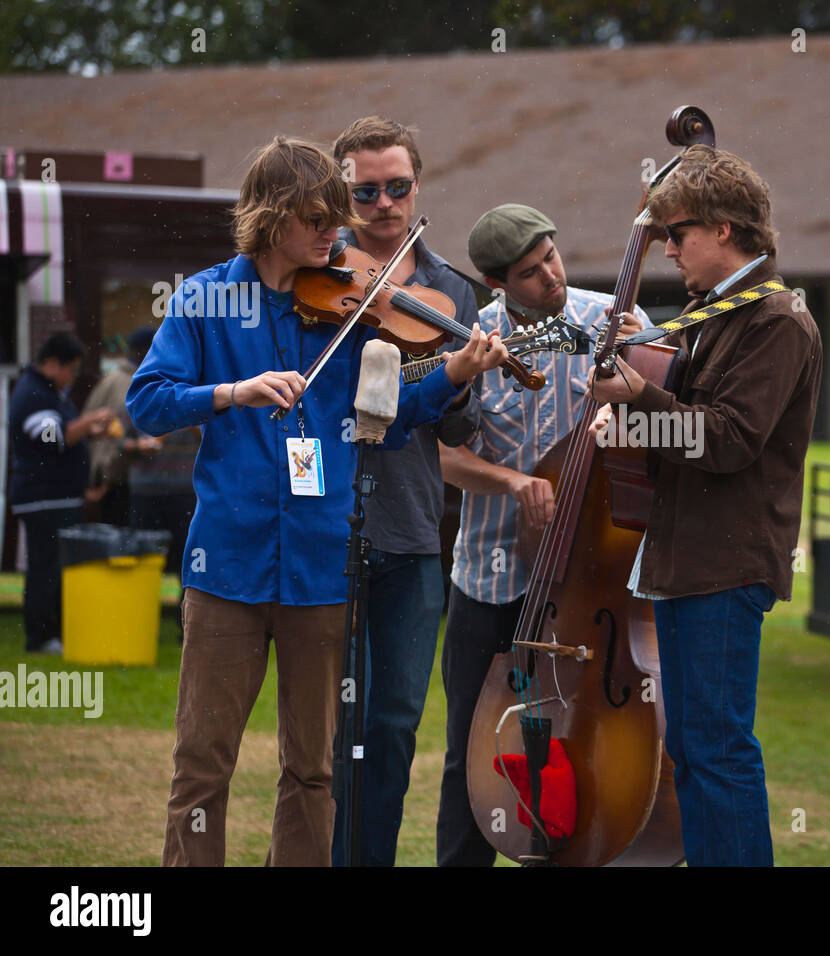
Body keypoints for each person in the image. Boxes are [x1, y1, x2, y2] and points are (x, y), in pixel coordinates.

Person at [126, 136, 507, 866]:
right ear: (272, 218)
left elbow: (385, 422)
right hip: (227, 572)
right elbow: (146, 403)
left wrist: (454, 369)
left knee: (314, 768)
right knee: (202, 765)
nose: (338, 236)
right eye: (319, 221)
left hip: (321, 573)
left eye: (338, 220)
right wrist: (231, 392)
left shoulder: (347, 309)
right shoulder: (207, 295)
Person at [590, 145, 823, 866]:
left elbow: (727, 440)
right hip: (683, 556)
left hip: (725, 562)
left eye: (677, 233)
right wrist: (644, 387)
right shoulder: (709, 315)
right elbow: (683, 421)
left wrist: (641, 398)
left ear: (725, 228)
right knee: (691, 751)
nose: (666, 249)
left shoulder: (777, 320)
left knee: (717, 751)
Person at [435, 203, 647, 866]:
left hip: (587, 589)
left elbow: (665, 415)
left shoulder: (610, 320)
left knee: (573, 745)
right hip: (490, 579)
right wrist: (514, 482)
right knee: (472, 749)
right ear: (499, 285)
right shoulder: (473, 343)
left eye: (551, 258)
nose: (551, 278)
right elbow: (444, 456)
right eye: (530, 273)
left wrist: (641, 374)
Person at [327, 115, 482, 867]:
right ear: (342, 193)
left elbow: (460, 432)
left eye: (398, 188)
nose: (385, 204)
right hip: (330, 527)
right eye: (365, 192)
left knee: (391, 724)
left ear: (417, 186)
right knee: (328, 726)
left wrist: (457, 378)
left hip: (414, 533)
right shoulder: (316, 275)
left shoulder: (452, 291)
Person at [9, 332, 116, 654]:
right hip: (43, 499)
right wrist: (91, 420)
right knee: (45, 568)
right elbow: (52, 438)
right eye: (71, 369)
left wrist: (89, 431)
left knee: (54, 567)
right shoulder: (32, 393)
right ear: (53, 363)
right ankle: (41, 637)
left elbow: (64, 433)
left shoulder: (51, 392)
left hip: (58, 497)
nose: (72, 377)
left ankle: (54, 632)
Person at [84, 326, 156, 526]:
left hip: (104, 474)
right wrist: (106, 484)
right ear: (145, 352)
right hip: (115, 479)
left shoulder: (112, 378)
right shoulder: (130, 385)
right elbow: (116, 440)